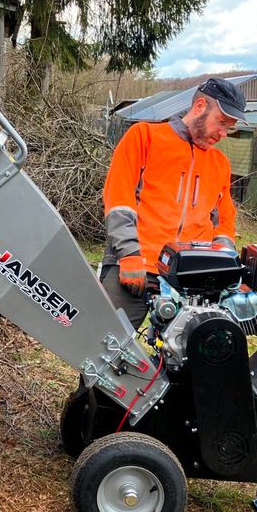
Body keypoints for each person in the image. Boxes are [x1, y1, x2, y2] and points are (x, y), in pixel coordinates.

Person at [100, 77, 244, 328]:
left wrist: (225, 268)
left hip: (190, 278)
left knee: (191, 355)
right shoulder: (145, 137)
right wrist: (129, 255)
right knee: (105, 347)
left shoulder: (220, 164)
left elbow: (224, 222)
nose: (223, 134)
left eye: (228, 128)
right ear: (199, 107)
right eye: (221, 123)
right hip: (134, 266)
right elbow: (119, 199)